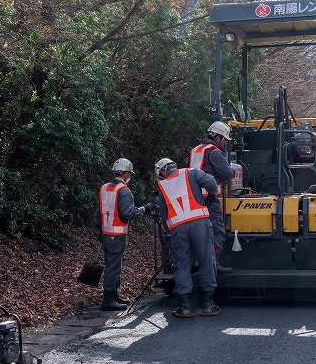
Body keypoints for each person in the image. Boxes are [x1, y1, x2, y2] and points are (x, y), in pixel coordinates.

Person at [155, 158, 222, 318]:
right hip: (199, 224)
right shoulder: (191, 172)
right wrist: (211, 194)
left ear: (162, 171)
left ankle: (184, 307)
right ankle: (208, 305)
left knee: (182, 264)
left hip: (177, 228)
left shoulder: (162, 186)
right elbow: (211, 182)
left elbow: (164, 214)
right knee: (206, 260)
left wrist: (170, 231)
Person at [99, 158, 155, 311]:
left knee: (112, 265)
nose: (130, 175)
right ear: (125, 173)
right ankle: (109, 299)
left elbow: (100, 213)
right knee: (113, 267)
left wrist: (100, 232)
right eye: (129, 173)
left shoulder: (104, 188)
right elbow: (128, 213)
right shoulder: (123, 190)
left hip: (106, 233)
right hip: (116, 234)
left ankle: (114, 295)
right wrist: (145, 208)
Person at [189, 121, 234, 275]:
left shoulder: (196, 150)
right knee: (217, 231)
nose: (225, 143)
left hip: (194, 199)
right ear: (218, 137)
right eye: (225, 140)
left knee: (198, 232)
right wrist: (232, 170)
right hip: (208, 198)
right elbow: (227, 173)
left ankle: (196, 261)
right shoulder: (214, 152)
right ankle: (214, 263)